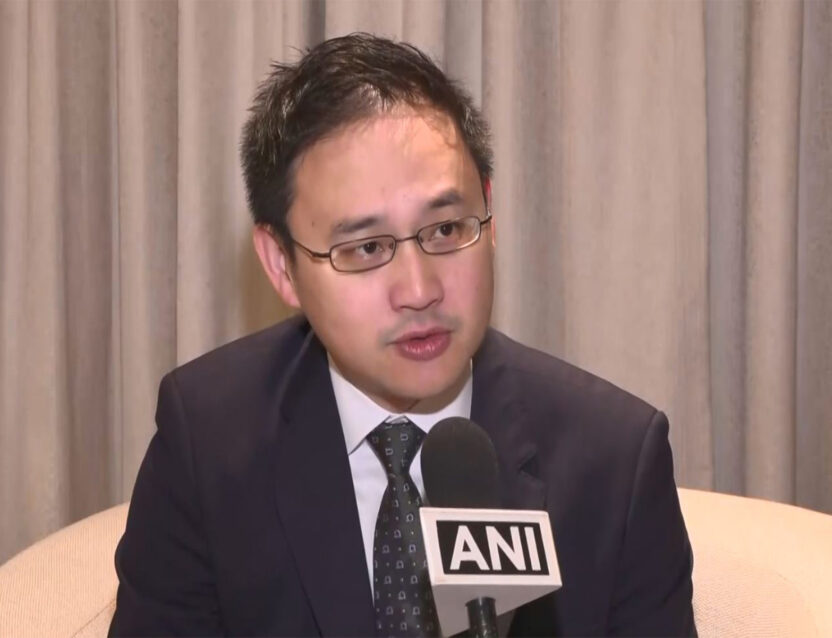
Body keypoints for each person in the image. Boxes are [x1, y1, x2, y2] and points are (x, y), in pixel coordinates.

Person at [109, 33, 695, 637]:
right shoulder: (209, 444)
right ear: (281, 264)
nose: (419, 290)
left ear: (489, 216)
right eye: (366, 248)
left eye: (445, 230)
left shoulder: (615, 463)